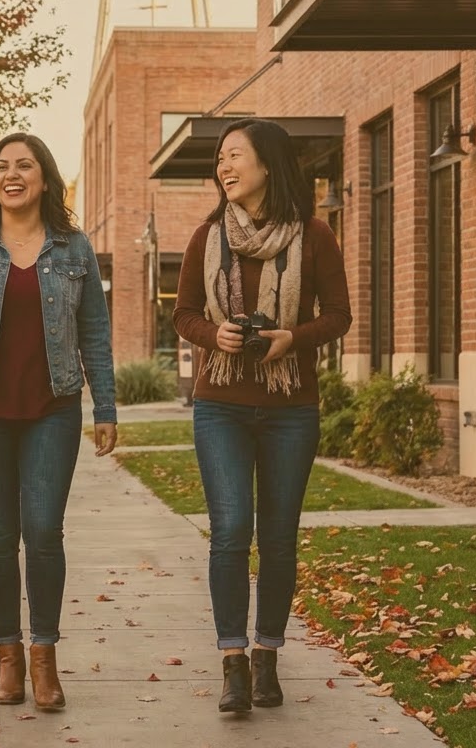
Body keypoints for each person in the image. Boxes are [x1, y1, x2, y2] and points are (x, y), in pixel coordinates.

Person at [0, 132, 117, 712]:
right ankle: (8, 654)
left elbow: (95, 335)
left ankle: (44, 656)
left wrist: (105, 407)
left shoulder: (74, 247)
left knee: (44, 532)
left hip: (53, 410)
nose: (12, 174)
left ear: (44, 177)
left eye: (24, 165)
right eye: (2, 166)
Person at [173, 118, 351, 715]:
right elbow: (185, 314)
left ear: (268, 165)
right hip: (220, 404)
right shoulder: (207, 235)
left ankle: (267, 656)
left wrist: (290, 339)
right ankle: (232, 663)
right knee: (229, 532)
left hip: (290, 408)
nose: (225, 167)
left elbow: (339, 316)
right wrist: (213, 335)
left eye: (235, 157)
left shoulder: (315, 234)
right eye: (221, 159)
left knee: (277, 538)